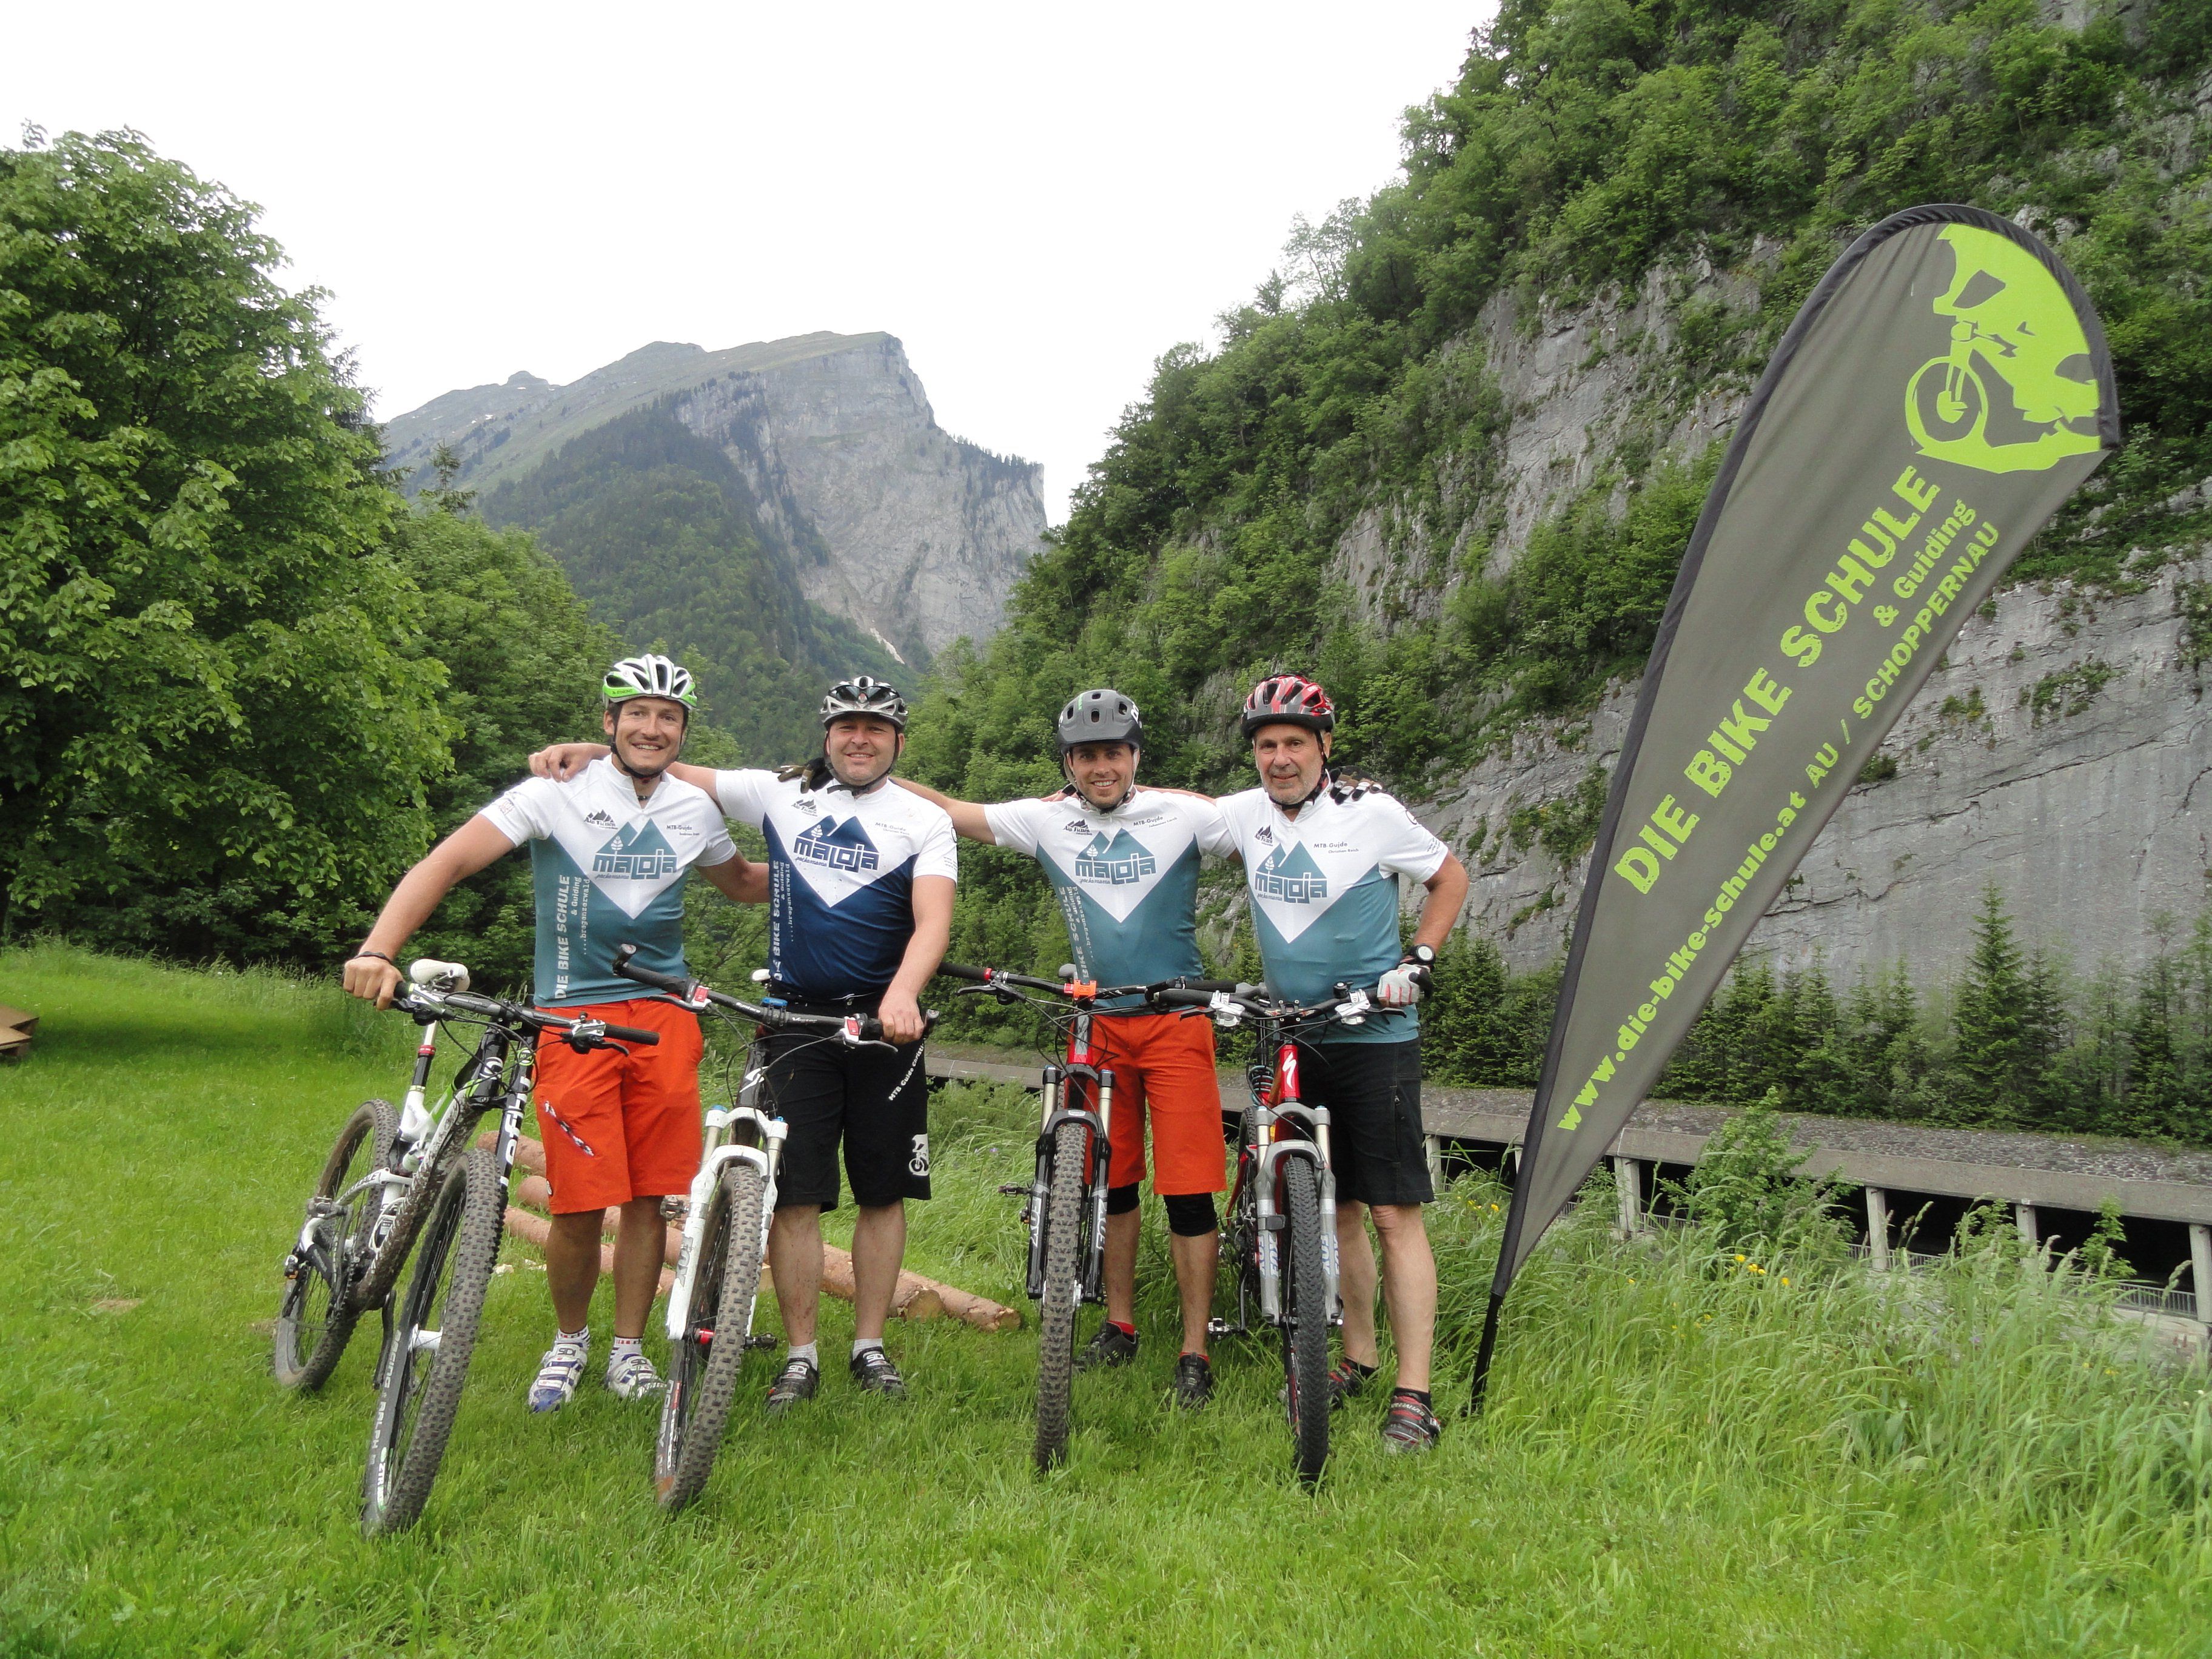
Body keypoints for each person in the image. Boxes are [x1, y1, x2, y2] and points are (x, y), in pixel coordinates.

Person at [343, 654, 766, 1412]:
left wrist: (848, 875)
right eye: (637, 714)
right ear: (609, 722)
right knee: (577, 1201)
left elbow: (742, 885)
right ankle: (569, 1340)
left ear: (683, 731)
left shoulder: (695, 810)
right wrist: (379, 949)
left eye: (669, 717)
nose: (653, 727)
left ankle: (628, 1350)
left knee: (650, 1199)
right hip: (571, 1015)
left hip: (665, 1018)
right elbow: (447, 863)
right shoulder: (554, 793)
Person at [531, 675, 956, 1410]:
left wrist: (904, 993)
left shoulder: (924, 819)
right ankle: (800, 1355)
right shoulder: (778, 793)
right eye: (847, 726)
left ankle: (869, 1346)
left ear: (898, 741)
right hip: (794, 1020)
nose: (860, 738)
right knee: (796, 1195)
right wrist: (590, 751)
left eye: (876, 728)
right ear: (827, 736)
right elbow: (667, 763)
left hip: (887, 1025)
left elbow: (933, 921)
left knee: (883, 1193)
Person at [896, 689, 1232, 1409]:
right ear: (1069, 764)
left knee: (1190, 1191)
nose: (1100, 767)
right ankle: (1120, 1324)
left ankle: (1195, 1349)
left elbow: (1274, 821)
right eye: (1086, 756)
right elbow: (948, 810)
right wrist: (862, 774)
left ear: (1135, 756)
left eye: (1113, 753)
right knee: (1115, 1184)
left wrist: (1339, 789)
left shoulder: (1186, 814)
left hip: (1177, 1020)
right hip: (1096, 1022)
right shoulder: (1046, 819)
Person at [1213, 672, 1470, 1452]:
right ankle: (1358, 1358)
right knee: (1339, 1211)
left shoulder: (1373, 814)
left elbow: (1450, 877)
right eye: (1266, 745)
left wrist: (1419, 958)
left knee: (1392, 1213)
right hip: (1293, 1035)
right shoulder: (1245, 814)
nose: (1280, 758)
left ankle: (1415, 1395)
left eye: (1294, 742)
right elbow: (1163, 811)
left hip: (1374, 1037)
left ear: (1324, 746)